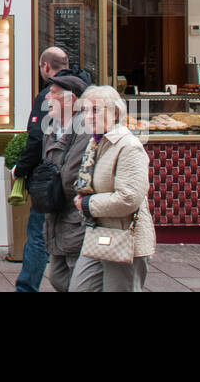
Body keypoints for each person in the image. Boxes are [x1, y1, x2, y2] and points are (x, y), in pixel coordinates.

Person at [10, 46, 93, 292]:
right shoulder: (69, 109)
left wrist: (24, 170)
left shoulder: (77, 120)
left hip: (59, 192)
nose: (48, 97)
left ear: (45, 66)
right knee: (60, 259)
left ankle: (26, 288)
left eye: (52, 94)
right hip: (66, 192)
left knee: (41, 237)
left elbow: (37, 141)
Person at [69, 84, 155, 292]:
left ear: (114, 112)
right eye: (85, 110)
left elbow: (129, 198)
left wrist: (87, 204)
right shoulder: (96, 143)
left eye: (95, 110)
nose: (88, 116)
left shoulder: (129, 146)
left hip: (124, 238)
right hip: (98, 233)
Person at [40, 72, 90, 292]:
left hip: (74, 213)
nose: (47, 99)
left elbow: (71, 173)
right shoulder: (51, 127)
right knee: (58, 277)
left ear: (71, 100)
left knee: (74, 277)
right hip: (56, 212)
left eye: (53, 94)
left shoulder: (83, 128)